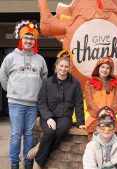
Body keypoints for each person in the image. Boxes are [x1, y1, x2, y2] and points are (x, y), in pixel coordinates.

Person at [0, 20, 48, 169]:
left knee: (29, 134)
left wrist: (37, 94)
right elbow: (3, 76)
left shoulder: (40, 59)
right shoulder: (11, 57)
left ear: (35, 41)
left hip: (32, 104)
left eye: (31, 38)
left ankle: (28, 162)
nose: (28, 41)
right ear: (21, 39)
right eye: (26, 38)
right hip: (15, 103)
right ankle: (14, 162)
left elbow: (44, 78)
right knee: (15, 134)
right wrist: (12, 91)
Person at [26, 50, 85, 169]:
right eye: (61, 66)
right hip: (48, 115)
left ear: (69, 68)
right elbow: (41, 102)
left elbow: (79, 103)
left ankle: (38, 157)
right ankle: (40, 154)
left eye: (66, 66)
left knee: (60, 131)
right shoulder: (47, 83)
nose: (63, 69)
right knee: (49, 132)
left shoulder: (75, 83)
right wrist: (48, 117)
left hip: (65, 116)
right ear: (56, 66)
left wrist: (80, 122)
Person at [84, 56, 117, 140]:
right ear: (98, 68)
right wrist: (100, 114)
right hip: (94, 115)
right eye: (102, 67)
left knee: (112, 129)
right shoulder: (89, 84)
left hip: (112, 115)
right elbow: (90, 102)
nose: (104, 70)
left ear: (110, 70)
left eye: (108, 68)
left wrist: (109, 114)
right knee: (97, 132)